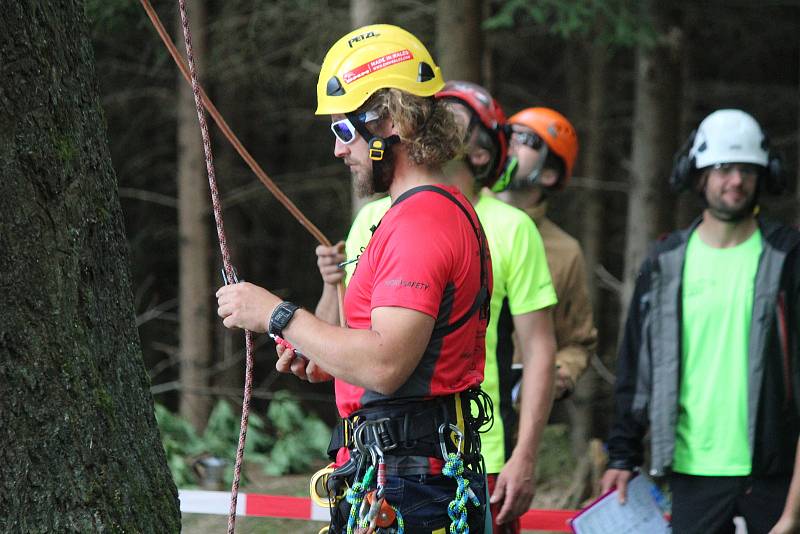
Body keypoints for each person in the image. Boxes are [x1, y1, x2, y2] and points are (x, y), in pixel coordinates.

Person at [218, 25, 493, 533]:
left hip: (409, 486)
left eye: (344, 132)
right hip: (403, 475)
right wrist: (325, 355)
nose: (338, 151)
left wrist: (277, 314)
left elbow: (387, 364)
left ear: (388, 121)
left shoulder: (421, 224)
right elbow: (389, 355)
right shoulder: (421, 213)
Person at [316, 81, 559, 534]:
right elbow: (356, 337)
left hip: (470, 448)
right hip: (373, 452)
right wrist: (314, 333)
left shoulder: (510, 227)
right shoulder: (374, 217)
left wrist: (526, 455)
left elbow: (539, 350)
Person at [600, 109, 800, 534]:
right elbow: (636, 366)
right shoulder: (665, 262)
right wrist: (622, 455)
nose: (736, 181)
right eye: (723, 168)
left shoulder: (788, 259)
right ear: (697, 175)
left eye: (747, 169)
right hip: (691, 472)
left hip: (774, 471)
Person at [495, 108, 597, 400]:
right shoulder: (462, 216)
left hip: (516, 414)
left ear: (550, 173)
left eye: (526, 139)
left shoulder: (565, 252)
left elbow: (579, 342)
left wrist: (555, 375)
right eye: (508, 135)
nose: (511, 144)